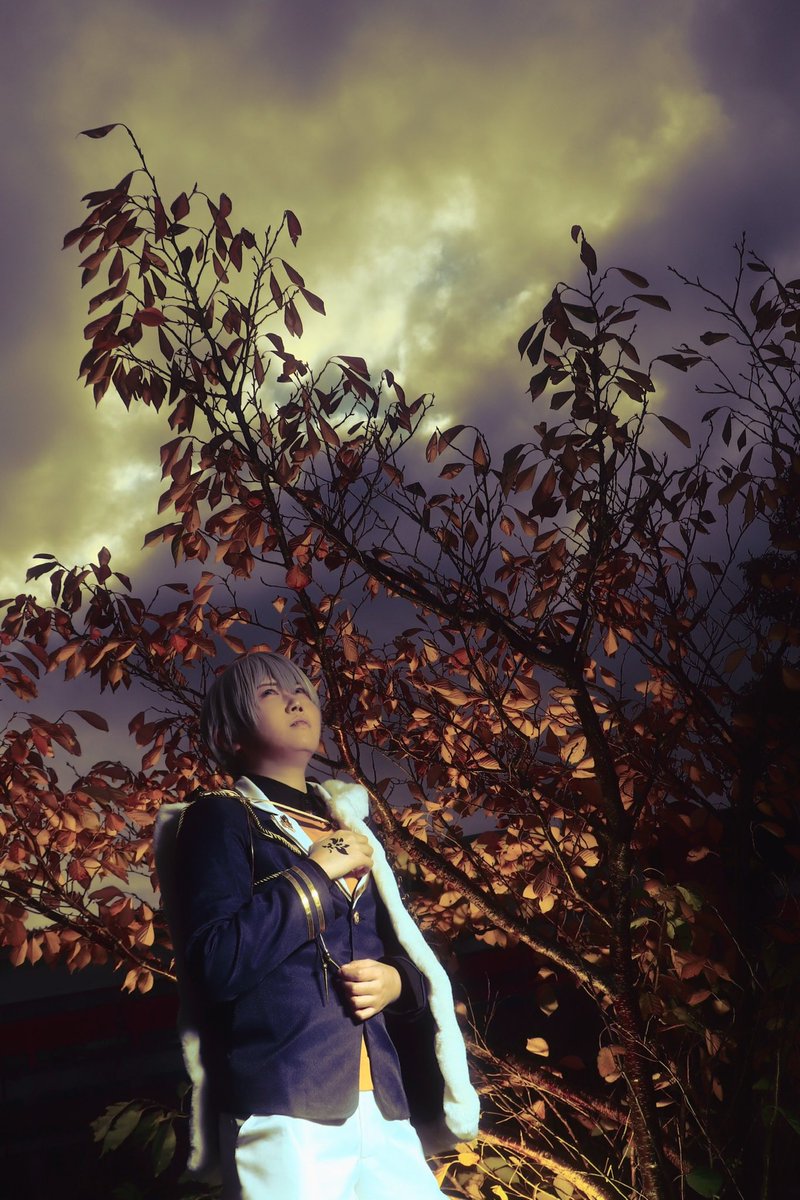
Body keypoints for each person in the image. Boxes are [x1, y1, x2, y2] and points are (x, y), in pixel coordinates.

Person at [154, 652, 479, 1200]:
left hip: (385, 1104)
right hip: (284, 1103)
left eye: (300, 690)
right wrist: (315, 873)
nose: (294, 700)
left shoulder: (352, 826)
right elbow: (214, 963)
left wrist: (396, 981)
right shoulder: (219, 816)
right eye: (269, 693)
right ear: (230, 734)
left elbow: (408, 953)